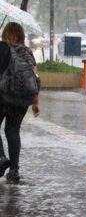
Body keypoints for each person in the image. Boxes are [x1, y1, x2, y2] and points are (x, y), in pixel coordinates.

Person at [0, 23, 40, 183]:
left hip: (3, 95)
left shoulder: (2, 48)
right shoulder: (27, 52)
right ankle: (14, 170)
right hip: (22, 99)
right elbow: (35, 77)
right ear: (21, 36)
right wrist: (36, 101)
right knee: (13, 131)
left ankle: (2, 158)